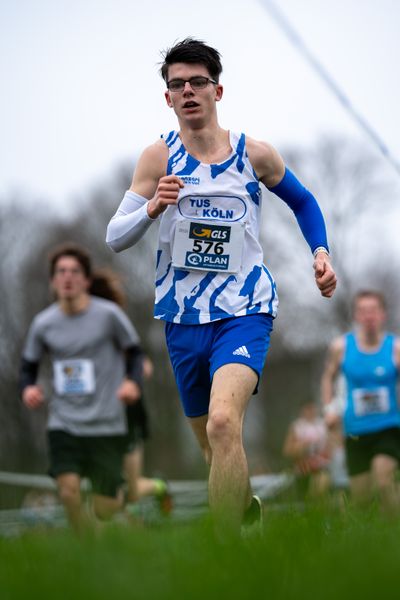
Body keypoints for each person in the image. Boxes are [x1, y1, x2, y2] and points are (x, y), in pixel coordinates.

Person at [106, 38, 337, 536]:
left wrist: (319, 253)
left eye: (198, 82)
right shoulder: (157, 158)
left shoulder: (254, 154)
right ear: (167, 98)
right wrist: (151, 208)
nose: (188, 91)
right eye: (177, 85)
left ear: (218, 90)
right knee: (215, 449)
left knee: (223, 424)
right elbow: (115, 236)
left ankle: (225, 552)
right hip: (182, 320)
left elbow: (304, 203)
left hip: (245, 308)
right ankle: (244, 513)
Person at [20, 243, 144, 532]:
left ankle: (119, 513)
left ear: (86, 280)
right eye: (61, 272)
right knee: (68, 492)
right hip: (65, 422)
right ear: (53, 280)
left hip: (107, 424)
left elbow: (136, 354)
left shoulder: (109, 315)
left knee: (106, 508)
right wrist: (28, 389)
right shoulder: (44, 324)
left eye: (74, 272)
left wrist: (132, 382)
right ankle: (87, 556)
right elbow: (28, 367)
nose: (67, 277)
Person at [89, 269, 173, 516]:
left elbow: (144, 366)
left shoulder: (116, 329)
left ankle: (160, 487)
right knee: (105, 505)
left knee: (133, 492)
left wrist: (128, 378)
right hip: (94, 421)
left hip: (127, 417)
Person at [321, 290, 400, 515]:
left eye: (373, 311)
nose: (369, 316)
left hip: (389, 427)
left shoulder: (395, 349)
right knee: (361, 500)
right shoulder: (341, 348)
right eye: (363, 311)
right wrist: (329, 409)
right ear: (356, 315)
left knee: (384, 480)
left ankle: (394, 536)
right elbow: (328, 377)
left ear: (382, 314)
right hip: (355, 431)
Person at [283, 402, 331, 502]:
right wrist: (303, 445)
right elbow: (287, 451)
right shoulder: (297, 427)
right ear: (303, 410)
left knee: (320, 493)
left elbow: (330, 447)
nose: (310, 412)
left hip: (320, 467)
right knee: (304, 498)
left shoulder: (323, 425)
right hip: (303, 469)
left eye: (312, 408)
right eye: (307, 409)